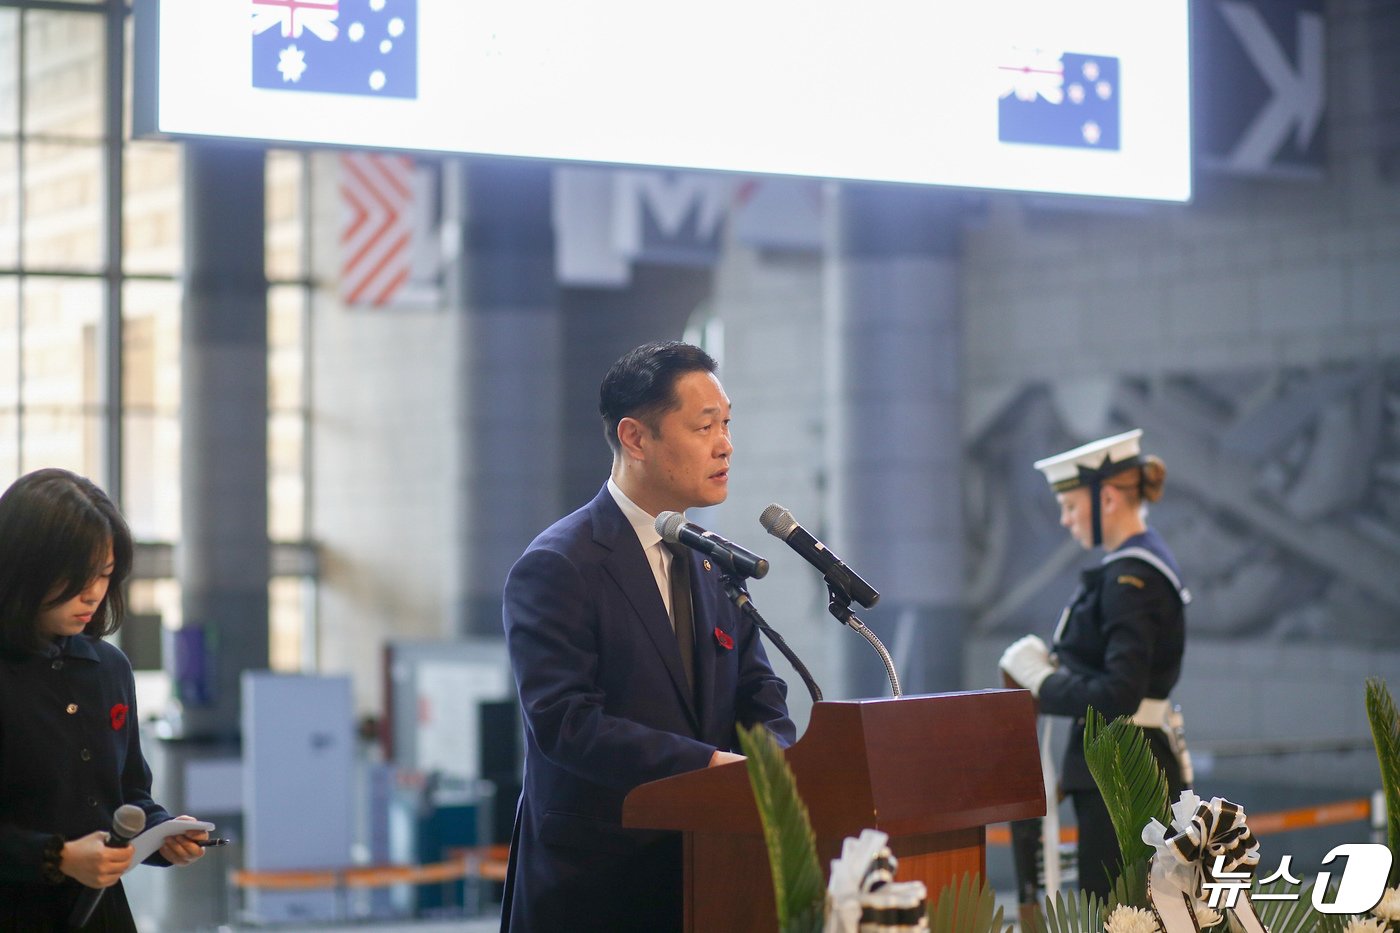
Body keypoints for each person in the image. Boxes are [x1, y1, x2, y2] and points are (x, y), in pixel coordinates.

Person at [499, 341, 796, 933]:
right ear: (635, 439)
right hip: (596, 887)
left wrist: (776, 766)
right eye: (704, 426)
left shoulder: (712, 561)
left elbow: (760, 692)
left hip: (710, 872)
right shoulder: (560, 564)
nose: (725, 444)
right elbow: (566, 724)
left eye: (727, 423)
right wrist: (710, 766)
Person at [0, 468, 209, 931]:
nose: (93, 592)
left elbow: (128, 795)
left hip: (103, 914)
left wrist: (163, 833)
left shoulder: (109, 668)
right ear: (23, 566)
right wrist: (57, 857)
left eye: (104, 575)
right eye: (77, 575)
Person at [999, 429, 1190, 902]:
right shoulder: (1131, 569)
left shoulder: (1132, 578)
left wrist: (1043, 680)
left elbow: (1119, 694)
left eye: (1070, 505)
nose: (1065, 519)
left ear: (1106, 498)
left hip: (1123, 773)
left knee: (1119, 915)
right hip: (1121, 766)